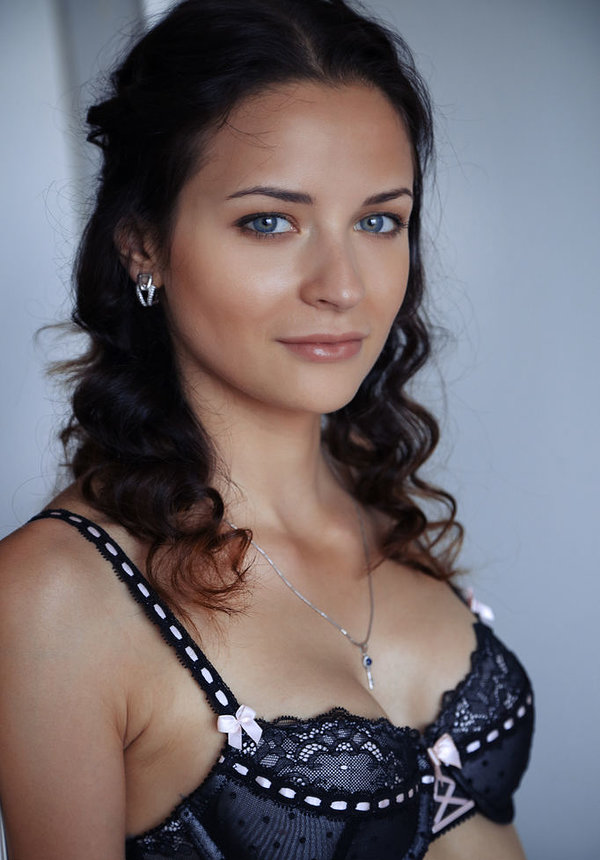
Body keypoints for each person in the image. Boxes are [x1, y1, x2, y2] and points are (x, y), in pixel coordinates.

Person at [0, 1, 534, 857]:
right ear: (142, 246)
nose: (342, 285)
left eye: (378, 220)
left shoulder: (378, 504)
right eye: (269, 221)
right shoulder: (55, 595)